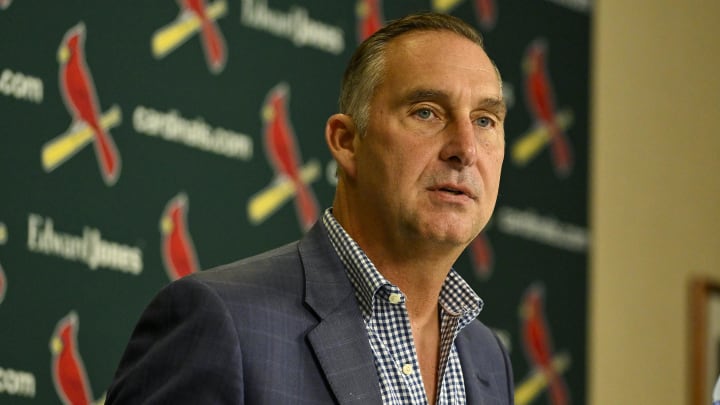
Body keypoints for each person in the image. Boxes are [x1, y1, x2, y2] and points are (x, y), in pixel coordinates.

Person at [106, 11, 513, 405]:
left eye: (485, 120)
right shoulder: (221, 321)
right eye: (426, 112)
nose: (465, 149)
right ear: (346, 143)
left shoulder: (487, 358)